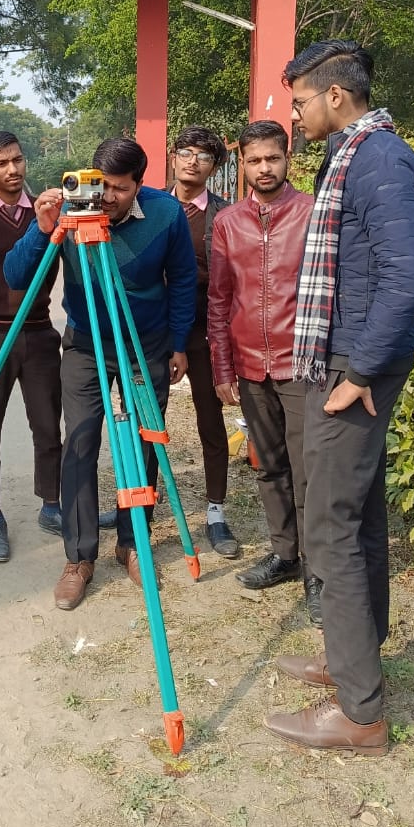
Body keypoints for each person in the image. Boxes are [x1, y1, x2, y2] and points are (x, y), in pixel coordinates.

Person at [264, 40, 414, 756]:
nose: (293, 115)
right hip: (341, 357)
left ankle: (361, 713)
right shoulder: (354, 156)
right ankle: (352, 662)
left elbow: (406, 277)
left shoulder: (381, 162)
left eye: (300, 101)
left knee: (329, 523)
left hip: (355, 366)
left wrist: (358, 373)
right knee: (356, 515)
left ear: (337, 96)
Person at [4, 137, 196, 611]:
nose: (106, 198)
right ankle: (78, 557)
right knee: (81, 441)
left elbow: (184, 279)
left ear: (140, 185)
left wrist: (178, 343)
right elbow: (15, 275)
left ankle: (133, 542)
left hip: (144, 343)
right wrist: (41, 228)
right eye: (100, 185)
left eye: (119, 189)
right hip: (86, 343)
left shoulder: (167, 214)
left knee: (144, 443)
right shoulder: (70, 211)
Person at [207, 121, 319, 622]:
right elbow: (220, 298)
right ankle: (285, 554)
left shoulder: (314, 212)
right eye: (254, 160)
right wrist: (222, 366)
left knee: (309, 469)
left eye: (272, 158)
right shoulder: (228, 222)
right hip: (251, 363)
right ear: (243, 164)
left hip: (301, 363)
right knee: (268, 463)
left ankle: (319, 572)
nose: (264, 168)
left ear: (287, 158)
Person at [0, 132, 62, 563]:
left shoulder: (48, 212)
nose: (13, 170)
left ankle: (51, 503)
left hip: (39, 333)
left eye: (18, 160)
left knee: (47, 426)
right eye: (1, 164)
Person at [169, 125, 235, 557]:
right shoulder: (147, 206)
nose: (193, 161)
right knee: (147, 423)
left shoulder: (226, 215)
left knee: (211, 423)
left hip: (208, 334)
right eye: (186, 152)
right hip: (159, 333)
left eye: (205, 156)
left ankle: (215, 511)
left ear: (215, 168)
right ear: (173, 157)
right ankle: (143, 503)